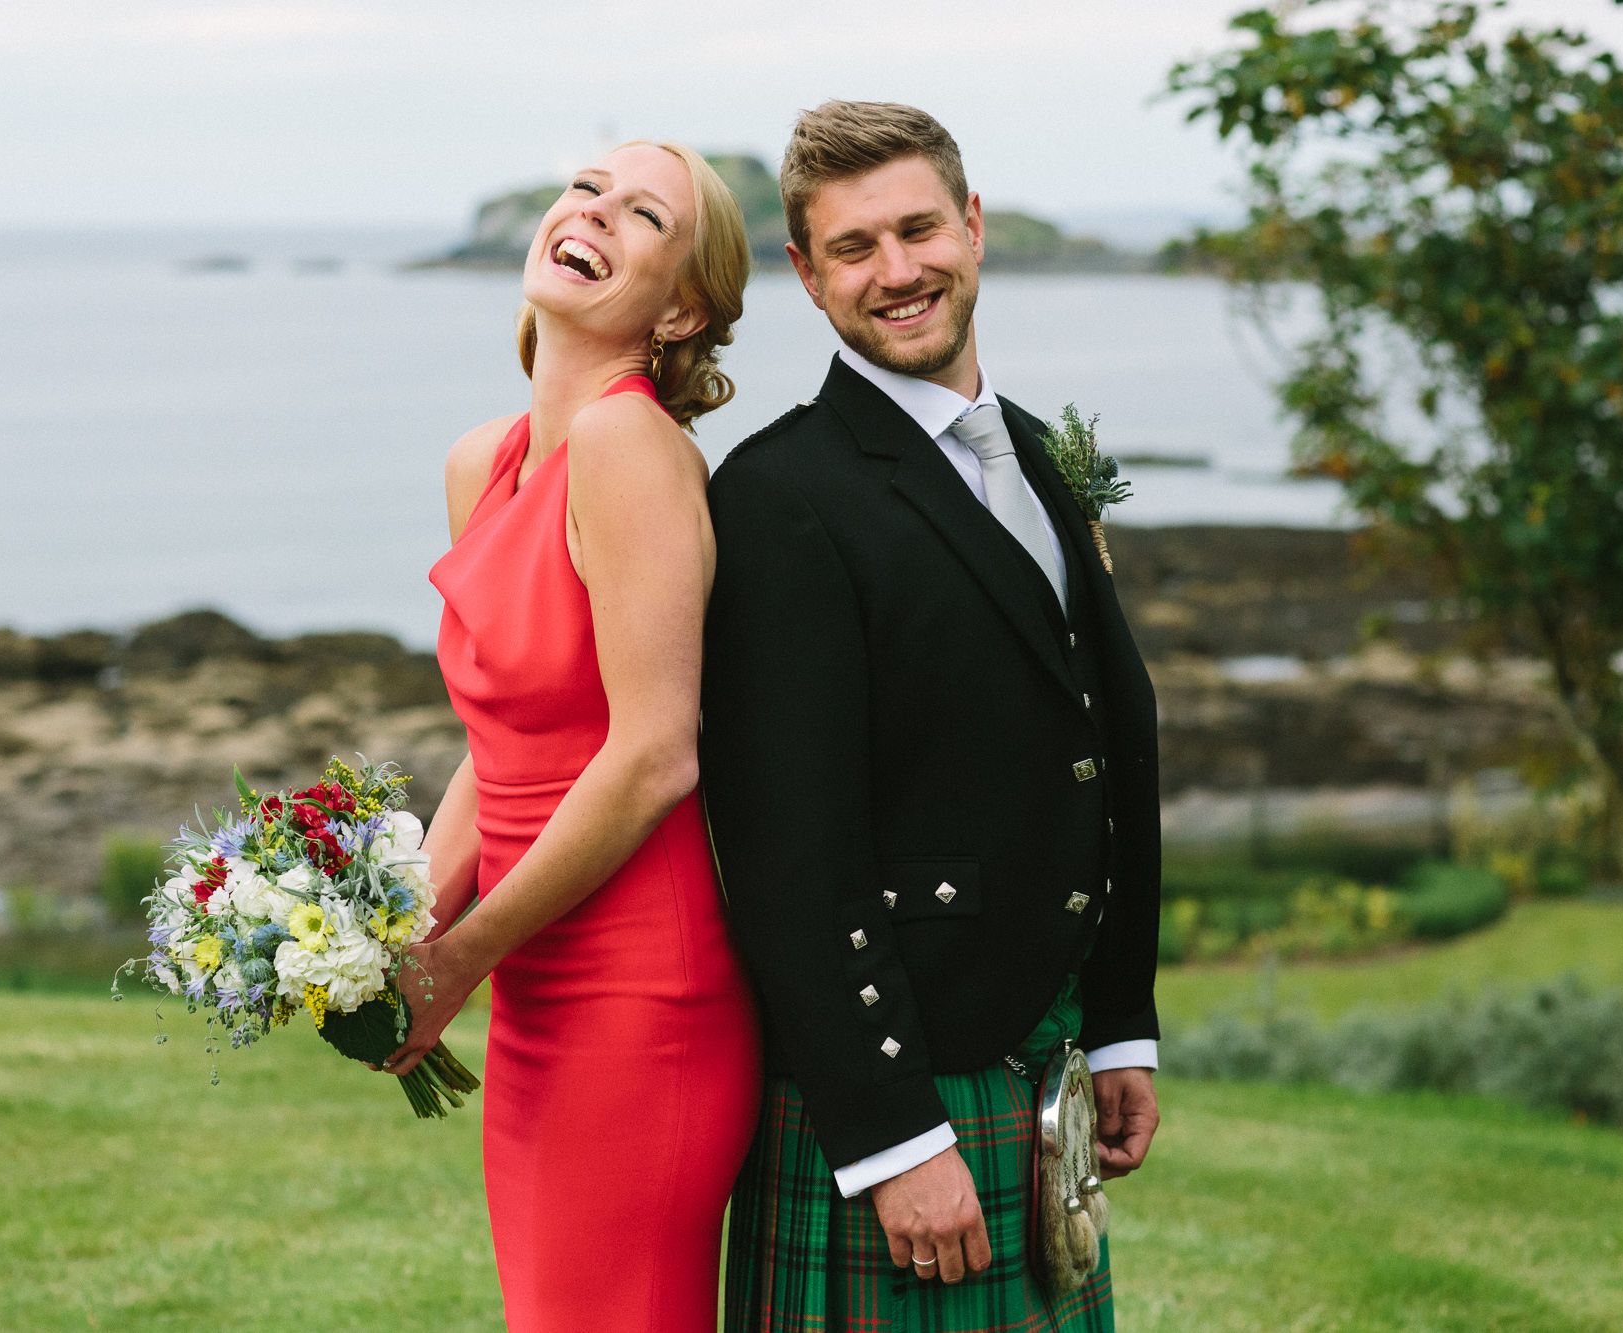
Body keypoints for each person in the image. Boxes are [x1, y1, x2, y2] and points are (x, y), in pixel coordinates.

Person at [702, 101, 1163, 1332]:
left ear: (972, 225)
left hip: (1035, 1063)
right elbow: (787, 846)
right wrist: (893, 1133)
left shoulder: (1032, 451)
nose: (896, 272)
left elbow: (1104, 741)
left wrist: (1118, 1025)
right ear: (803, 274)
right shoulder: (778, 496)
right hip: (900, 1085)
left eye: (917, 229)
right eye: (853, 248)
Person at [378, 140, 762, 1332]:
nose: (592, 210)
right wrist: (391, 938)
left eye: (643, 213)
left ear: (681, 304)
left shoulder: (628, 446)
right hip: (533, 983)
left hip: (644, 996)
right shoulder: (478, 463)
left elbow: (655, 754)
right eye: (586, 186)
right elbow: (498, 753)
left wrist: (461, 954)